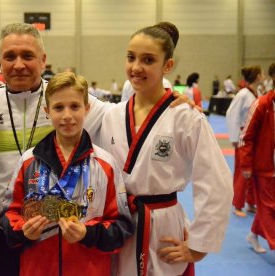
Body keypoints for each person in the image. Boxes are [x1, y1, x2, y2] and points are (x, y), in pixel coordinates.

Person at [0, 22, 193, 275]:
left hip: (63, 233)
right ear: (0, 61)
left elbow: (126, 111)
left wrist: (169, 102)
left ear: (43, 59)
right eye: (10, 56)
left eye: (28, 55)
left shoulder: (67, 98)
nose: (19, 64)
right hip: (2, 231)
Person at [100, 22, 233, 276]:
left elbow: (215, 180)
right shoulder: (112, 114)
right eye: (131, 57)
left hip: (163, 225)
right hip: (120, 224)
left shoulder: (186, 117)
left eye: (148, 60)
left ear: (167, 66)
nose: (136, 67)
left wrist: (198, 245)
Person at [0, 71, 134, 275]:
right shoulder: (29, 161)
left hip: (89, 268)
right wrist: (22, 231)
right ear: (47, 111)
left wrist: (88, 234)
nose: (67, 116)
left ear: (87, 109)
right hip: (37, 268)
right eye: (58, 107)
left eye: (75, 106)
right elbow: (8, 214)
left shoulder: (105, 164)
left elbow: (122, 225)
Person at [239, 62, 275, 254]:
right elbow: (246, 136)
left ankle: (253, 234)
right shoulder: (262, 104)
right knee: (270, 206)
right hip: (264, 167)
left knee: (267, 207)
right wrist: (246, 165)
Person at [226, 66, 261, 217]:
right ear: (257, 76)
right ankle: (238, 205)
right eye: (261, 73)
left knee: (254, 171)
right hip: (243, 136)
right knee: (242, 171)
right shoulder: (242, 94)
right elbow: (231, 114)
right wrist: (234, 138)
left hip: (255, 136)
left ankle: (251, 202)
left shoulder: (256, 93)